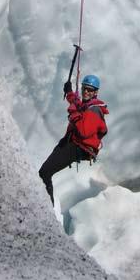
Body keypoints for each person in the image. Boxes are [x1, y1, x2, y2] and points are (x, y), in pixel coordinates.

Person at [39, 74, 108, 205]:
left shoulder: (95, 110)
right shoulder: (87, 105)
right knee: (44, 172)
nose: (86, 92)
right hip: (72, 143)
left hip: (78, 148)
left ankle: (46, 212)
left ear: (96, 92)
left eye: (90, 90)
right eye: (84, 88)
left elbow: (83, 132)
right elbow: (78, 105)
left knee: (44, 173)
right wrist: (70, 93)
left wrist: (73, 112)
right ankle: (45, 208)